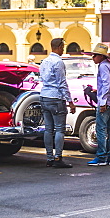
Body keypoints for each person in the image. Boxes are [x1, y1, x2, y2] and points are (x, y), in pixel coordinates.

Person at [39, 37, 75, 168]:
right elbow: (62, 83)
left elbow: (41, 78)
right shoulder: (58, 62)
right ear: (59, 47)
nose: (63, 49)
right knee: (59, 129)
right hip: (56, 97)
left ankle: (49, 157)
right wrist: (70, 101)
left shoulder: (44, 61)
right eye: (63, 47)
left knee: (48, 129)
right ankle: (58, 157)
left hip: (44, 95)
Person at [88, 42, 110, 166]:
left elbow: (106, 84)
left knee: (100, 129)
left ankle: (101, 157)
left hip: (106, 102)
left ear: (101, 56)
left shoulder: (103, 67)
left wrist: (102, 101)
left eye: (95, 55)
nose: (93, 57)